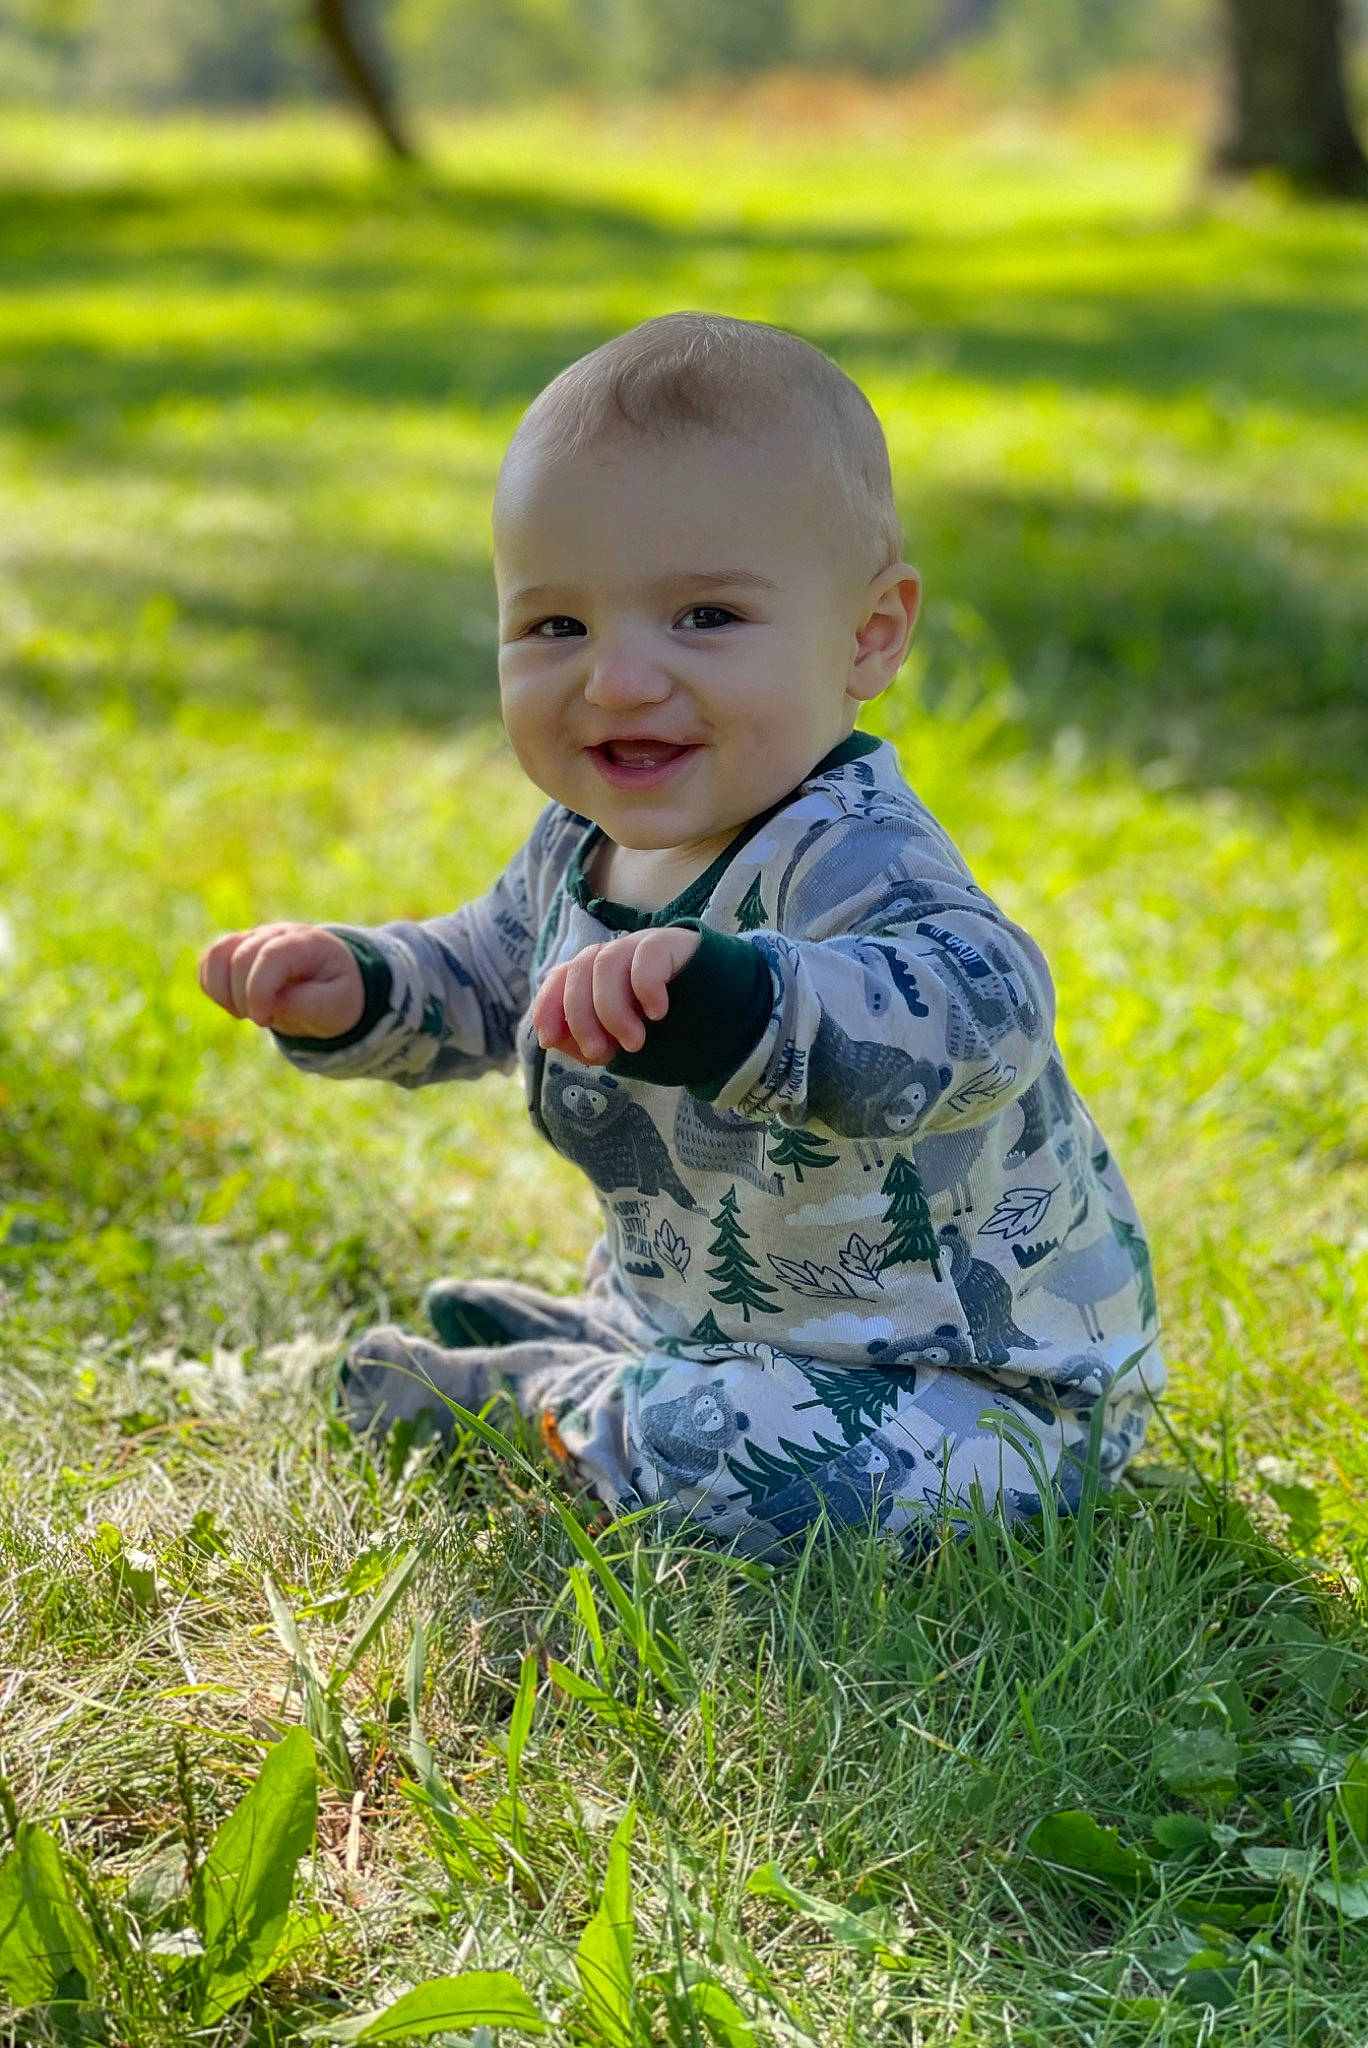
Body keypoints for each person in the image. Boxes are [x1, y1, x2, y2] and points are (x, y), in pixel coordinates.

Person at [197, 311, 1163, 1555]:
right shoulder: (574, 844)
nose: (618, 679)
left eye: (703, 615)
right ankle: (618, 1358)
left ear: (869, 634)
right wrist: (363, 988)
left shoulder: (846, 850)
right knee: (721, 1398)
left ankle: (543, 1400)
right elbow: (489, 977)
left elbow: (986, 1009)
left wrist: (746, 1003)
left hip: (985, 1386)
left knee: (748, 1454)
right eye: (558, 626)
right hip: (728, 1321)